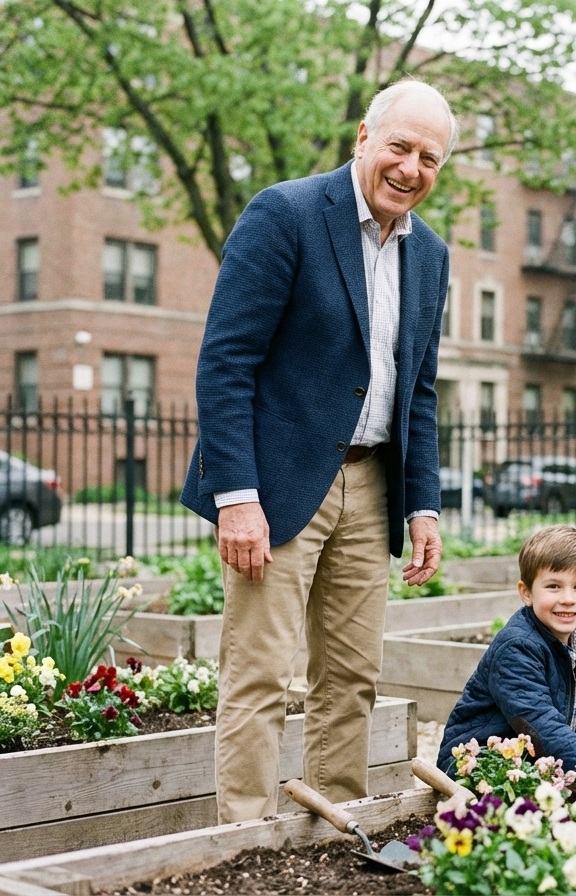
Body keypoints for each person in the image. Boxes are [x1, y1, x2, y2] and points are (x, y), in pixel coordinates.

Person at [179, 80, 457, 823]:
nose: (410, 167)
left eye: (430, 157)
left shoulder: (430, 254)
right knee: (261, 673)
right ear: (365, 135)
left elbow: (417, 391)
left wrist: (424, 504)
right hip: (275, 488)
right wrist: (235, 496)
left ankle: (334, 826)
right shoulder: (287, 213)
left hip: (371, 489)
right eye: (400, 146)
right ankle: (242, 837)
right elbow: (226, 362)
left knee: (352, 675)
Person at [437, 526, 576, 812]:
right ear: (526, 593)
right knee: (513, 815)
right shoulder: (517, 647)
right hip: (479, 762)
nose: (568, 598)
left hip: (532, 758)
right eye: (554, 586)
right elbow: (540, 723)